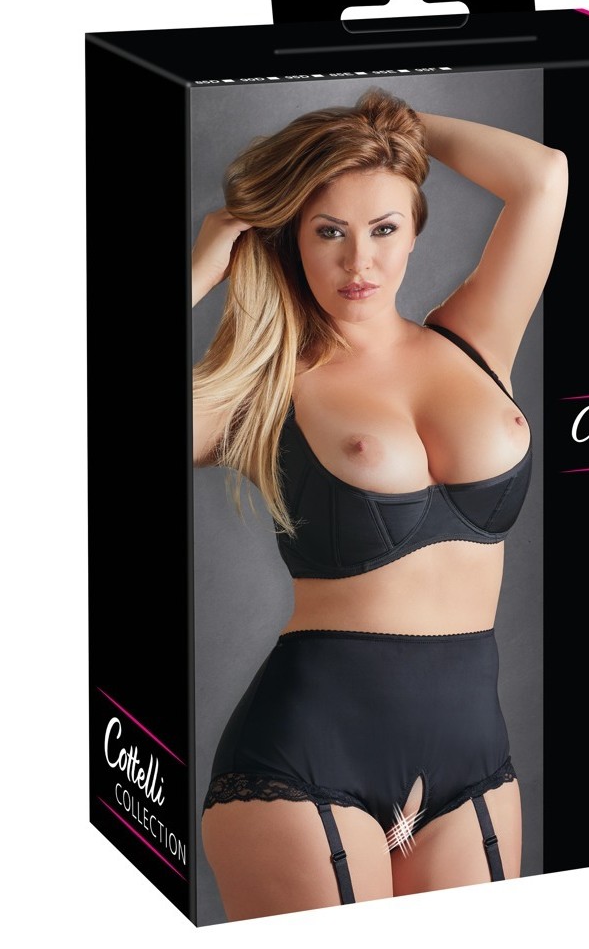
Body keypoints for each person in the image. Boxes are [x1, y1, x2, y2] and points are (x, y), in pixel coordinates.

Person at [192, 88, 566, 921]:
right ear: (291, 235)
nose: (359, 260)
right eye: (329, 231)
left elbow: (542, 177)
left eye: (384, 228)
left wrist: (388, 131)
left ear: (413, 233)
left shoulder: (476, 339)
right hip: (303, 762)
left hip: (474, 760)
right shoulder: (265, 384)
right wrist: (200, 268)